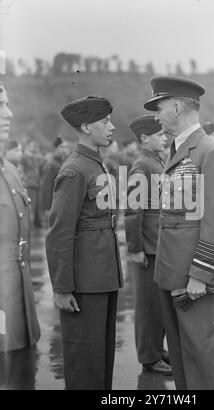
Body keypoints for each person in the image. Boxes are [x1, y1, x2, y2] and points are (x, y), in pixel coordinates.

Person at [144, 76, 214, 390]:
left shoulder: (209, 152)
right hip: (171, 272)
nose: (155, 116)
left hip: (194, 277)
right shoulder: (176, 150)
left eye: (159, 108)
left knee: (202, 359)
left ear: (178, 107)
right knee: (182, 359)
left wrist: (201, 274)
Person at [45, 96, 123, 390]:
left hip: (102, 277)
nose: (112, 127)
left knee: (101, 361)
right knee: (84, 365)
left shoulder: (94, 165)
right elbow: (59, 233)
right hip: (84, 282)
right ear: (86, 126)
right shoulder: (75, 170)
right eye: (105, 122)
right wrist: (62, 288)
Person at [0, 81, 40, 389]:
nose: (8, 114)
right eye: (0, 106)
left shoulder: (10, 170)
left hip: (19, 303)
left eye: (8, 104)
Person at [124, 115, 171, 375]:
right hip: (148, 247)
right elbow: (133, 210)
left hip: (158, 245)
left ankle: (156, 349)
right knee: (148, 307)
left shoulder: (155, 161)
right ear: (144, 138)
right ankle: (149, 357)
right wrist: (135, 247)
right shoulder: (142, 165)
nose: (164, 138)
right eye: (160, 134)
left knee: (158, 305)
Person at [40, 136, 69, 211]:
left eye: (66, 147)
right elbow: (46, 189)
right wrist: (48, 209)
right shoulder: (51, 165)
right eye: (62, 147)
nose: (65, 150)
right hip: (53, 208)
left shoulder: (62, 163)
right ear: (56, 149)